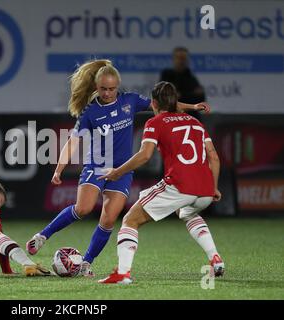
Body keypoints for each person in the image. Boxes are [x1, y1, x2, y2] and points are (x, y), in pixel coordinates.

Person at [26, 59, 210, 277]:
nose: (107, 93)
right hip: (97, 165)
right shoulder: (89, 112)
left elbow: (165, 105)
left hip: (122, 170)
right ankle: (43, 236)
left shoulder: (130, 101)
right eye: (103, 89)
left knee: (109, 219)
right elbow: (73, 141)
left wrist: (192, 106)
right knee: (83, 208)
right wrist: (59, 169)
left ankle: (86, 262)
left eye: (112, 89)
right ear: (96, 87)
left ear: (118, 86)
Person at [97, 81, 224, 284]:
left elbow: (144, 155)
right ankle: (215, 259)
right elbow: (214, 157)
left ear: (154, 103)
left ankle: (122, 274)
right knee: (187, 212)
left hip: (180, 185)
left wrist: (117, 173)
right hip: (206, 189)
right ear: (175, 102)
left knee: (130, 220)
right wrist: (214, 186)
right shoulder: (195, 123)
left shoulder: (155, 123)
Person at [160, 47, 206, 120]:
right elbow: (165, 98)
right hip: (171, 118)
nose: (181, 61)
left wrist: (180, 95)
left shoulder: (191, 78)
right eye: (178, 58)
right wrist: (191, 95)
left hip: (191, 118)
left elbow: (200, 100)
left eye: (183, 58)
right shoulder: (167, 75)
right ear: (173, 59)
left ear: (187, 60)